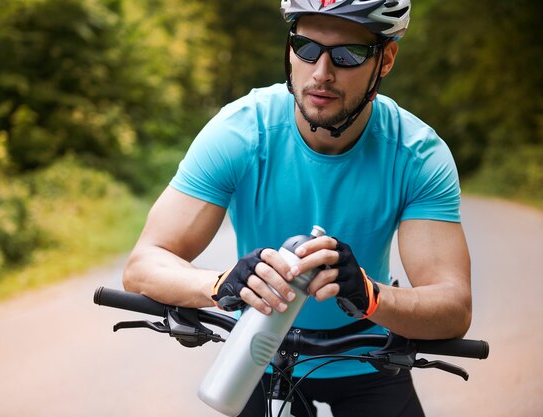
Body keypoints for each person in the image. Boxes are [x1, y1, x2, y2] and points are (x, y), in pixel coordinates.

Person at [122, 0, 472, 416]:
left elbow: (453, 305)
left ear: (386, 59)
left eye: (347, 54)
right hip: (258, 348)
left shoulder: (416, 154)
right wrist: (222, 285)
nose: (322, 72)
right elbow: (144, 264)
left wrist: (369, 294)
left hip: (368, 354)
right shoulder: (240, 132)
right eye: (306, 47)